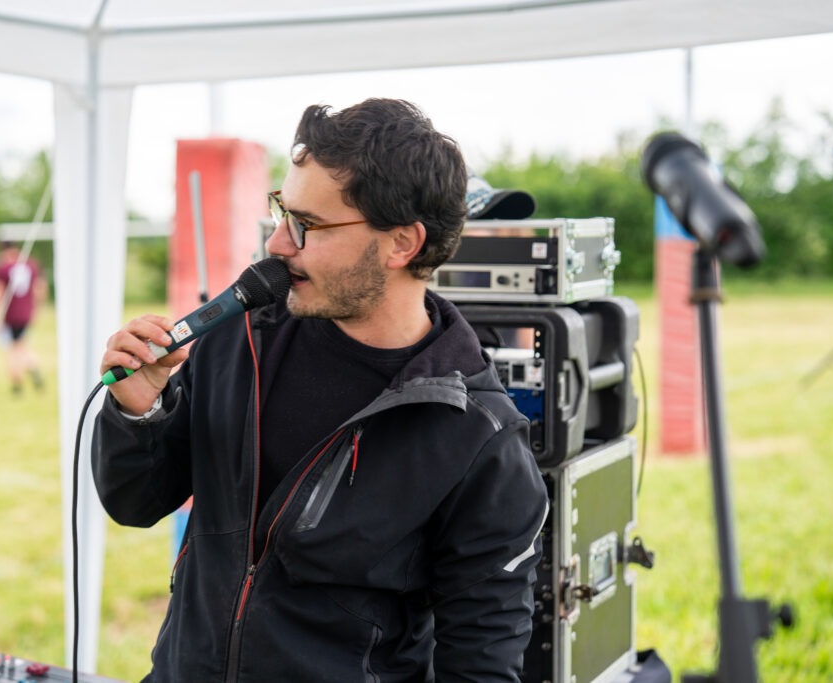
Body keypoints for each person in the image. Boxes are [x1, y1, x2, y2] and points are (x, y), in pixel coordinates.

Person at [91, 98, 549, 682]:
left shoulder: (479, 438)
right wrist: (139, 412)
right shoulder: (239, 338)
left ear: (402, 243)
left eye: (308, 225)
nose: (278, 245)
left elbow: (480, 666)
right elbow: (134, 502)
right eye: (283, 211)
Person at [0, 240, 46, 395]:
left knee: (14, 348)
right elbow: (40, 288)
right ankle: (33, 369)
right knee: (21, 345)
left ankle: (17, 383)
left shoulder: (2, 269)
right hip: (26, 313)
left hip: (10, 315)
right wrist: (36, 309)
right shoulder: (30, 265)